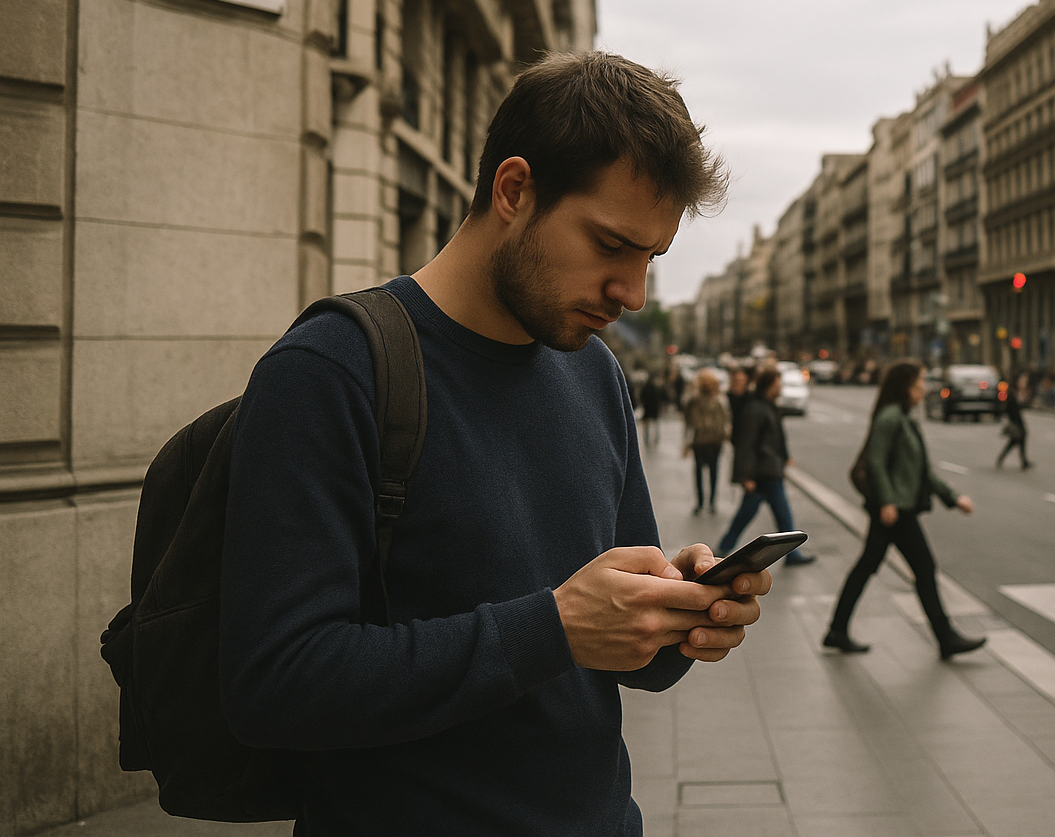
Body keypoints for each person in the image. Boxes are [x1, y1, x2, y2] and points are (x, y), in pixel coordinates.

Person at [221, 51, 774, 837]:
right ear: (514, 190)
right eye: (611, 244)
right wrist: (554, 626)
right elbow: (272, 685)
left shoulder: (597, 377)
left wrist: (679, 617)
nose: (633, 293)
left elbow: (610, 648)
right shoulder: (332, 369)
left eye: (650, 259)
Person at [824, 361, 987, 660]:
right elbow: (876, 461)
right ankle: (945, 636)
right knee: (922, 568)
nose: (924, 389)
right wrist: (887, 500)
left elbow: (922, 471)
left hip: (897, 508)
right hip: (895, 510)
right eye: (919, 383)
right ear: (905, 386)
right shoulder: (890, 418)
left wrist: (952, 497)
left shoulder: (902, 417)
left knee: (869, 566)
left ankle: (837, 629)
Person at [718, 369, 815, 564]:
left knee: (749, 512)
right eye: (778, 384)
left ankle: (724, 546)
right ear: (769, 385)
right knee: (781, 513)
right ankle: (791, 553)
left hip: (767, 468)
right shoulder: (756, 408)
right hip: (764, 471)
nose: (781, 389)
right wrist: (746, 476)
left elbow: (777, 437)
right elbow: (747, 443)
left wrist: (785, 456)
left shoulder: (767, 406)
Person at [683, 370, 730, 514]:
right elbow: (688, 421)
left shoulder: (719, 400)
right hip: (702, 441)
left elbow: (725, 419)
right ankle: (703, 502)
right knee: (703, 472)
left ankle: (708, 502)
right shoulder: (694, 400)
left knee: (711, 472)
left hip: (712, 441)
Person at [996, 369, 1032, 469]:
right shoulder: (1011, 394)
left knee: (1016, 441)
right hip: (1016, 421)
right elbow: (1010, 408)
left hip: (1016, 420)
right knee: (1018, 439)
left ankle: (1023, 461)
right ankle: (1022, 461)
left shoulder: (1013, 393)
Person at [640, 371, 667, 448]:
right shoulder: (657, 387)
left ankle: (647, 438)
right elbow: (661, 397)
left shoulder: (645, 387)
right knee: (655, 424)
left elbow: (642, 397)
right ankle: (656, 437)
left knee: (647, 424)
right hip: (654, 408)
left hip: (647, 408)